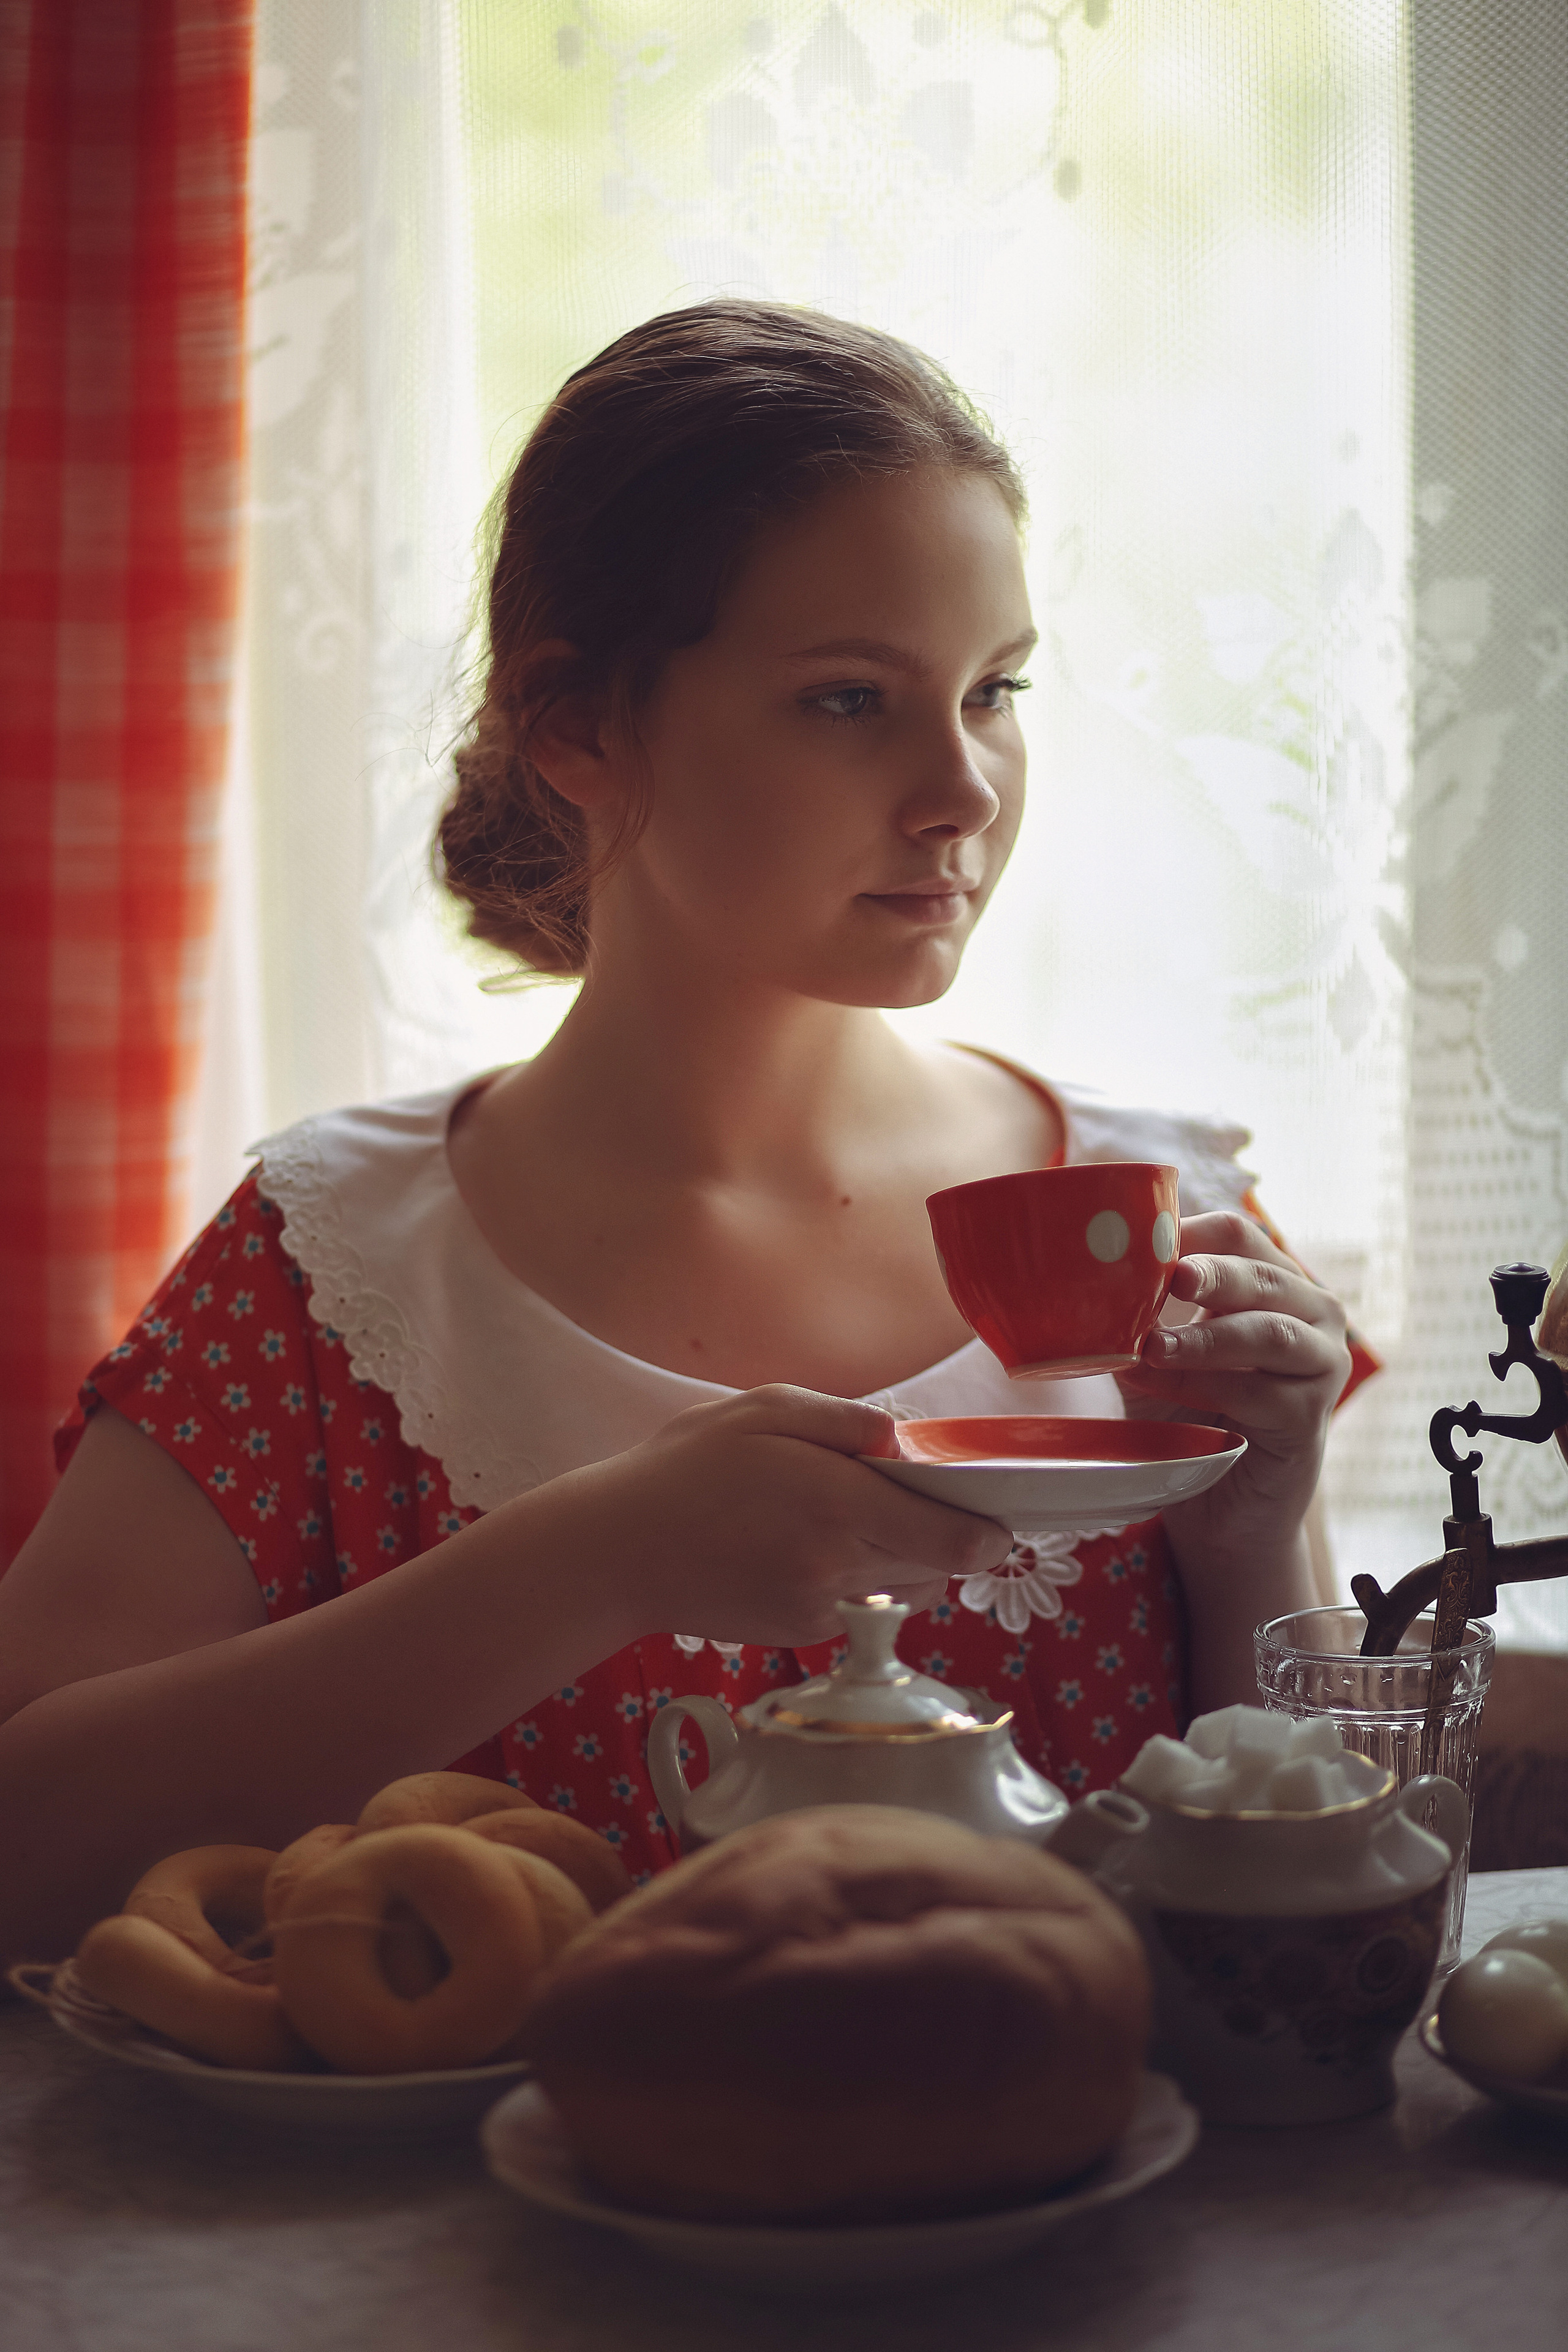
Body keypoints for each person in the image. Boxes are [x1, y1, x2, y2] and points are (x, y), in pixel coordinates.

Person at [0, 303, 1367, 1961]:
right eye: (850, 699)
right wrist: (595, 1561)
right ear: (578, 724)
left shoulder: (1156, 1226)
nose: (965, 790)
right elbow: (25, 1843)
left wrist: (1254, 1528)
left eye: (995, 692)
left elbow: (1332, 1912)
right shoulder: (332, 1269)